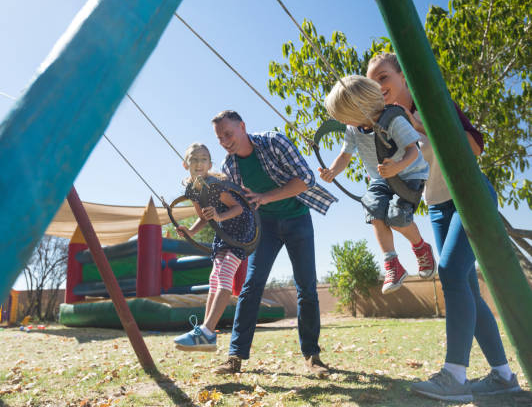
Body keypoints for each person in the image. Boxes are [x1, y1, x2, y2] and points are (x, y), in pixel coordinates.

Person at [367, 52, 521, 402]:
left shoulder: (432, 104)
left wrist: (421, 125)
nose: (379, 86)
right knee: (464, 286)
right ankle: (503, 376)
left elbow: (474, 147)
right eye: (372, 82)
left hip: (470, 195)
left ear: (403, 76)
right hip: (438, 208)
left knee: (451, 272)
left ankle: (454, 375)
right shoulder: (386, 125)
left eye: (383, 77)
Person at [211, 110, 336, 375]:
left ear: (243, 126)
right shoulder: (229, 166)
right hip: (264, 228)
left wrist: (266, 197)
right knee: (251, 285)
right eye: (220, 137)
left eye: (228, 134)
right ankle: (235, 356)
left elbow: (307, 179)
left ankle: (312, 356)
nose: (225, 140)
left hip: (297, 219)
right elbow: (239, 205)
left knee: (306, 287)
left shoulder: (274, 142)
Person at [320, 75, 436, 295]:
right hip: (380, 178)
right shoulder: (353, 129)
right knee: (374, 212)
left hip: (410, 173)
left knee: (398, 218)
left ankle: (421, 248)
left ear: (358, 110)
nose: (344, 122)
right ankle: (392, 263)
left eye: (345, 116)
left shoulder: (393, 121)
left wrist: (396, 167)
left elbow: (413, 151)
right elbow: (345, 156)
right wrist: (332, 171)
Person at [173, 143, 255, 352]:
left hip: (240, 232)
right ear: (185, 164)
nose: (199, 163)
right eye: (194, 159)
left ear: (210, 164)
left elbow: (238, 208)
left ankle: (208, 331)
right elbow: (203, 217)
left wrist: (219, 216)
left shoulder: (213, 185)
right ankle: (204, 331)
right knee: (214, 278)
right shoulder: (192, 189)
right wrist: (190, 232)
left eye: (203, 159)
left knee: (226, 273)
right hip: (223, 233)